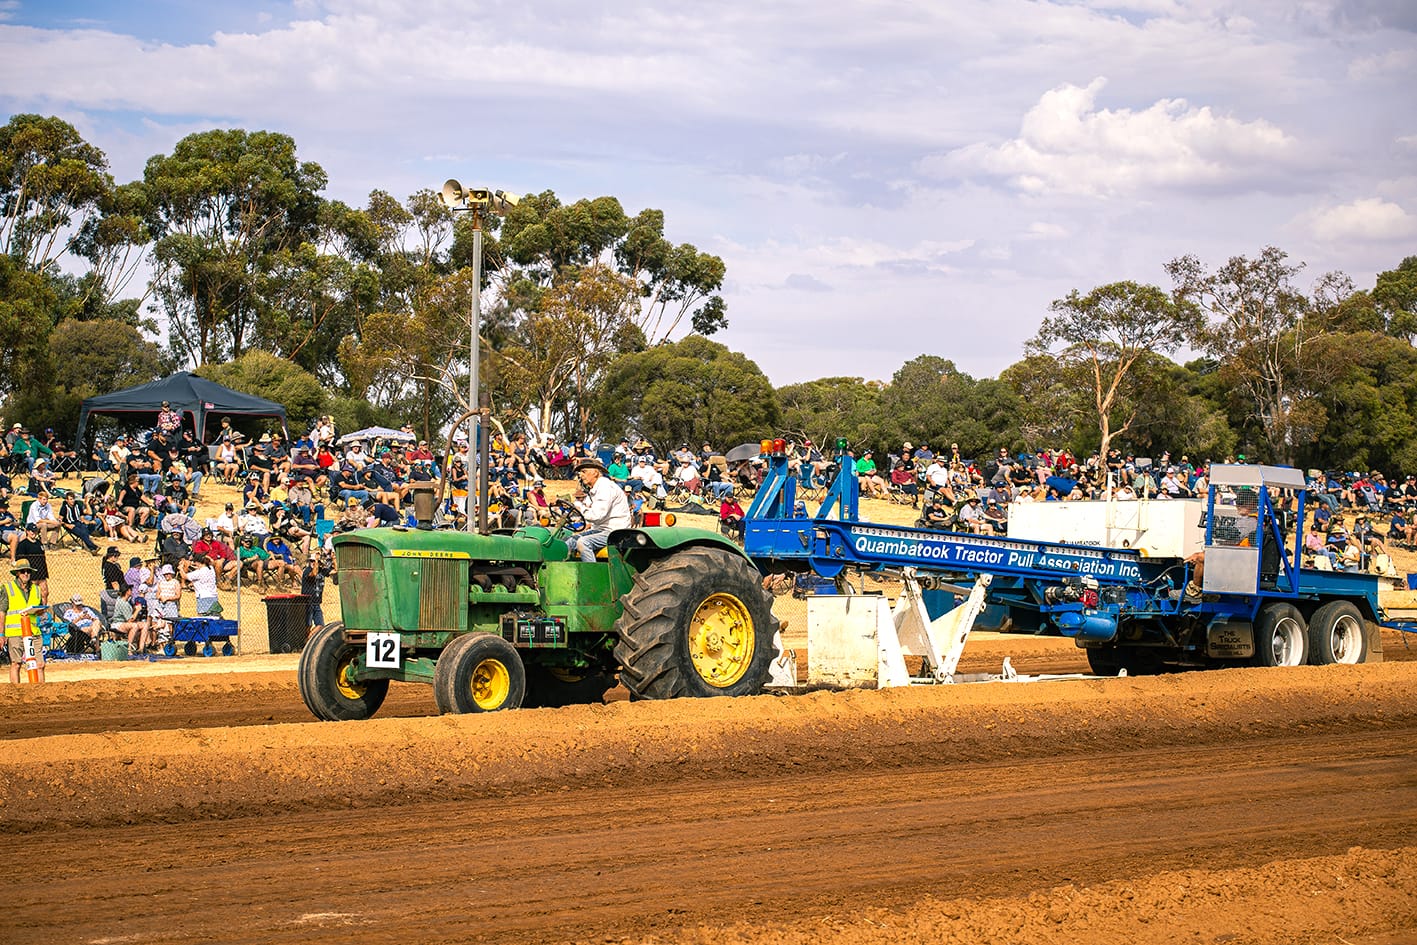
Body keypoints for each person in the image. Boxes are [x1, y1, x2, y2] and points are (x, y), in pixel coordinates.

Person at [568, 459, 633, 562]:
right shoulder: (595, 489)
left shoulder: (605, 487)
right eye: (580, 472)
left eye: (584, 471)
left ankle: (590, 571)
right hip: (601, 530)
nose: (580, 475)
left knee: (583, 542)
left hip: (615, 532)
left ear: (595, 472)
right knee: (569, 541)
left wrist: (580, 508)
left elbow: (597, 515)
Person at [2, 559, 46, 683]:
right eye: (23, 571)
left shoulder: (36, 589)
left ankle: (41, 691)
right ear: (17, 573)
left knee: (40, 664)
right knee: (16, 663)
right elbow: (2, 613)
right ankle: (16, 692)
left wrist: (39, 611)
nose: (26, 574)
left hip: (33, 631)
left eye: (28, 571)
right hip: (15, 632)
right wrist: (1, 634)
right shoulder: (8, 588)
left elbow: (40, 609)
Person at [12, 523, 49, 604]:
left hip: (41, 572)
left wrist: (45, 572)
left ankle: (43, 609)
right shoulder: (23, 544)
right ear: (27, 531)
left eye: (35, 531)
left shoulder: (39, 543)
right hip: (30, 573)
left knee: (45, 592)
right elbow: (20, 561)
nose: (33, 533)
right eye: (31, 531)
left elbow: (43, 558)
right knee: (31, 594)